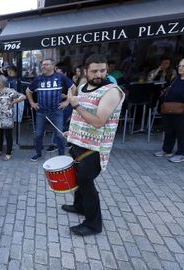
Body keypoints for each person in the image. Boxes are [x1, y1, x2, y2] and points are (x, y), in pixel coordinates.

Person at [63, 54, 125, 236]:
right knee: (78, 179)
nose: (99, 74)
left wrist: (76, 106)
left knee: (86, 182)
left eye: (103, 70)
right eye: (94, 71)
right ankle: (79, 206)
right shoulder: (83, 87)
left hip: (95, 149)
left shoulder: (111, 91)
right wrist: (72, 131)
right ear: (85, 71)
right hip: (78, 143)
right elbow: (81, 116)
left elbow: (98, 121)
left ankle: (93, 224)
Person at [26, 59, 76, 161]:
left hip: (56, 111)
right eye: (42, 65)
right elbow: (28, 90)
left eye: (46, 64)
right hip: (41, 112)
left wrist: (67, 101)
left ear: (53, 67)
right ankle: (38, 153)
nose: (43, 66)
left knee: (59, 134)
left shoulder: (60, 77)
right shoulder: (38, 79)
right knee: (38, 134)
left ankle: (61, 155)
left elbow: (73, 88)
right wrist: (31, 103)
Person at [154, 57, 184, 163]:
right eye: (179, 66)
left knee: (183, 132)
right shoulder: (177, 77)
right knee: (169, 130)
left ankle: (181, 154)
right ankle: (166, 150)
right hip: (170, 109)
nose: (180, 68)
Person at [0, 75, 26, 160]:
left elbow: (23, 96)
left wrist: (14, 102)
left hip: (6, 118)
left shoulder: (10, 91)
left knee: (8, 135)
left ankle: (8, 153)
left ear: (3, 83)